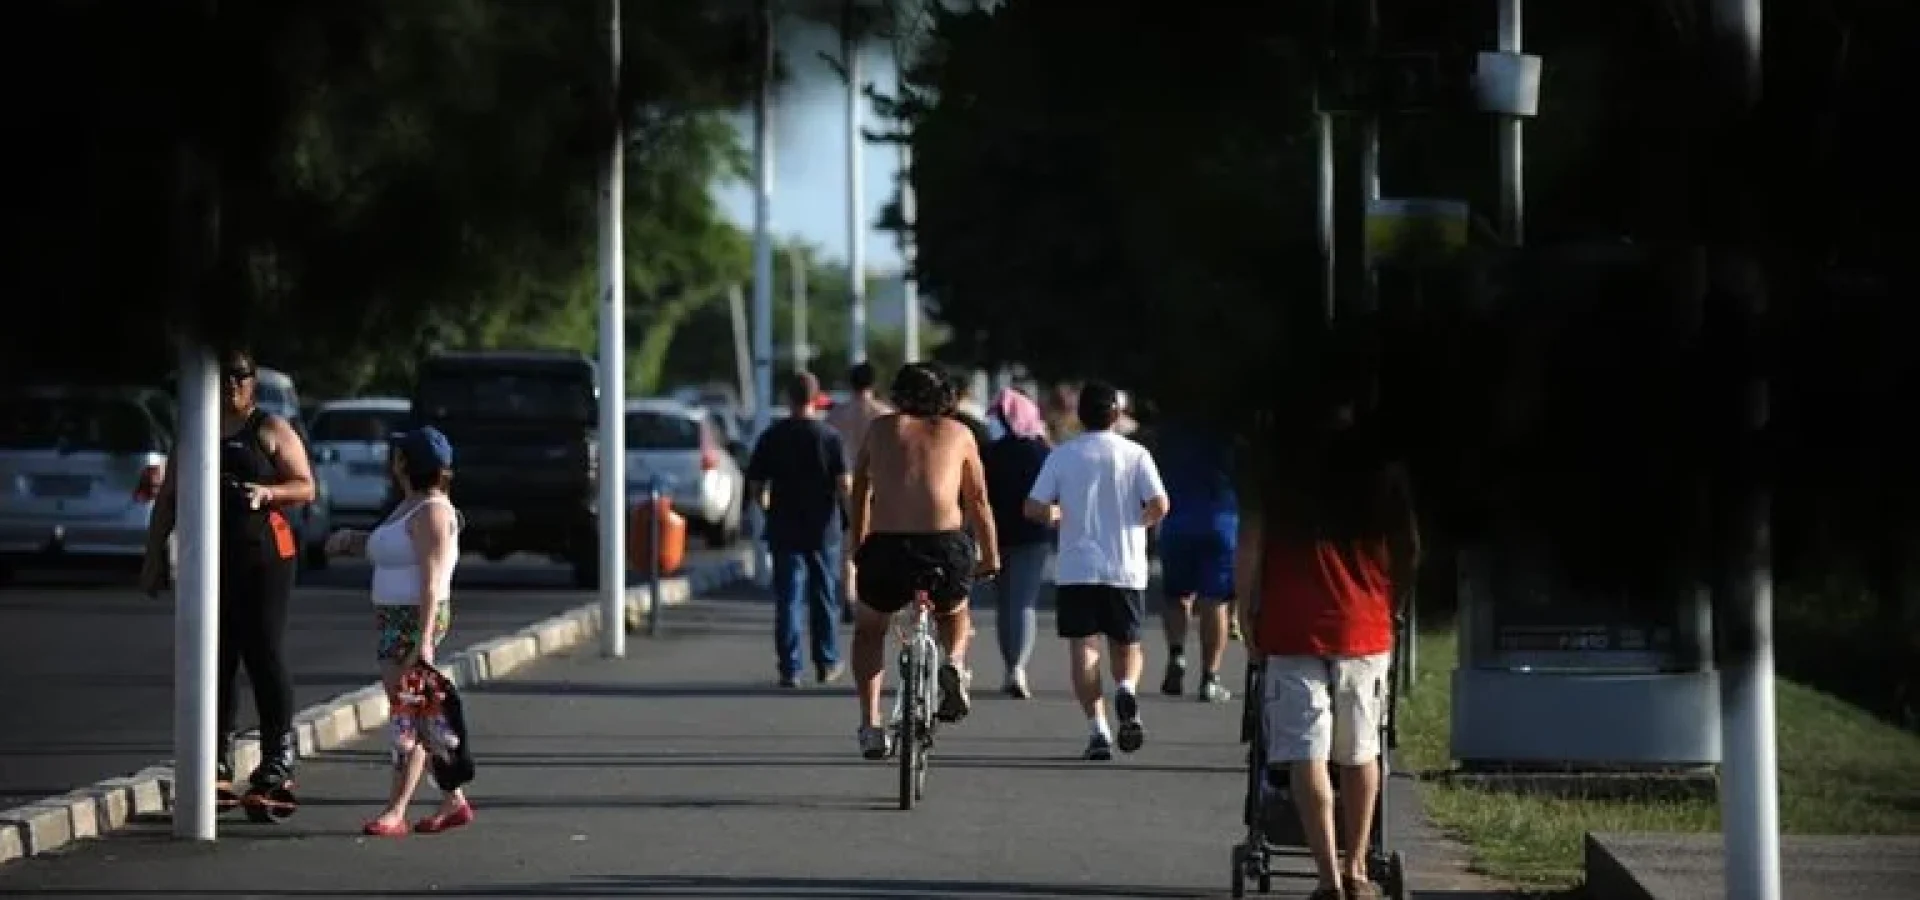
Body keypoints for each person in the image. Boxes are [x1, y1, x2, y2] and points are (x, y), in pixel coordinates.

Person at [1235, 374, 1418, 900]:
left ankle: (1327, 878)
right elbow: (1410, 546)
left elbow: (1252, 542)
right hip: (1364, 624)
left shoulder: (1276, 467)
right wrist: (1394, 606)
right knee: (1361, 750)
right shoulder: (1383, 470)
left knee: (1305, 750)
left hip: (1292, 626)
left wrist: (1247, 610)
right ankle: (1358, 866)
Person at [140, 349, 318, 799]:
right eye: (223, 378)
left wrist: (267, 491)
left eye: (240, 377)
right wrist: (154, 556)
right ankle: (215, 756)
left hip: (265, 557)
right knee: (215, 656)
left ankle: (277, 755)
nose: (231, 386)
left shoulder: (270, 430)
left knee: (263, 650)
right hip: (208, 558)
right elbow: (168, 500)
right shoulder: (195, 435)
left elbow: (305, 485)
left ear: (253, 383)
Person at [847, 362, 1000, 759]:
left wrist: (858, 543)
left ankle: (870, 724)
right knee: (954, 612)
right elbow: (979, 501)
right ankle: (954, 662)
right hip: (943, 547)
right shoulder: (960, 434)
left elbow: (860, 487)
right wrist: (991, 557)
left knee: (869, 630)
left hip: (887, 547)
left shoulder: (881, 430)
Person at [325, 426, 473, 836]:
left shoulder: (432, 513)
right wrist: (352, 541)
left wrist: (424, 639)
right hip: (396, 622)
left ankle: (396, 810)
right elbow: (389, 549)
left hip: (413, 622)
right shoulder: (410, 506)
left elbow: (431, 579)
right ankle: (451, 799)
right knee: (418, 715)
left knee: (409, 715)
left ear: (403, 463)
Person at [1023, 380, 1168, 760]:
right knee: (1127, 644)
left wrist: (1054, 513)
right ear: (1116, 414)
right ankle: (1127, 690)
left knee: (1084, 647)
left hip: (1076, 566)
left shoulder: (1063, 456)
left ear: (1079, 415)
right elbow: (1160, 503)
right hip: (1126, 566)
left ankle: (1098, 728)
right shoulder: (1137, 455)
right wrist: (1140, 522)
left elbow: (1032, 506)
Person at [745, 371, 849, 688]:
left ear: (789, 399)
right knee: (824, 596)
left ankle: (790, 667)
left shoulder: (772, 436)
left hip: (784, 526)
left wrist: (766, 508)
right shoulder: (829, 438)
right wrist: (852, 516)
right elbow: (844, 484)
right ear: (816, 399)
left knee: (788, 598)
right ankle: (827, 661)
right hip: (823, 527)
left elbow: (756, 484)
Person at [1153, 418, 1240, 703]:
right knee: (1215, 600)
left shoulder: (1173, 434)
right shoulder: (1232, 436)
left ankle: (1177, 653)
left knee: (1175, 594)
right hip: (1221, 520)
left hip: (1178, 521)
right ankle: (1210, 676)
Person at [981, 387, 1054, 698]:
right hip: (1032, 536)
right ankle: (1017, 669)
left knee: (1005, 603)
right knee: (1024, 602)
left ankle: (1010, 666)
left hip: (997, 534)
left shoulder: (991, 453)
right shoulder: (1042, 452)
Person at [825, 362, 893, 621]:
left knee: (847, 543)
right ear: (873, 384)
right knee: (878, 540)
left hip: (845, 484)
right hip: (877, 484)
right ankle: (875, 595)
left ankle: (849, 596)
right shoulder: (883, 415)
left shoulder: (836, 415)